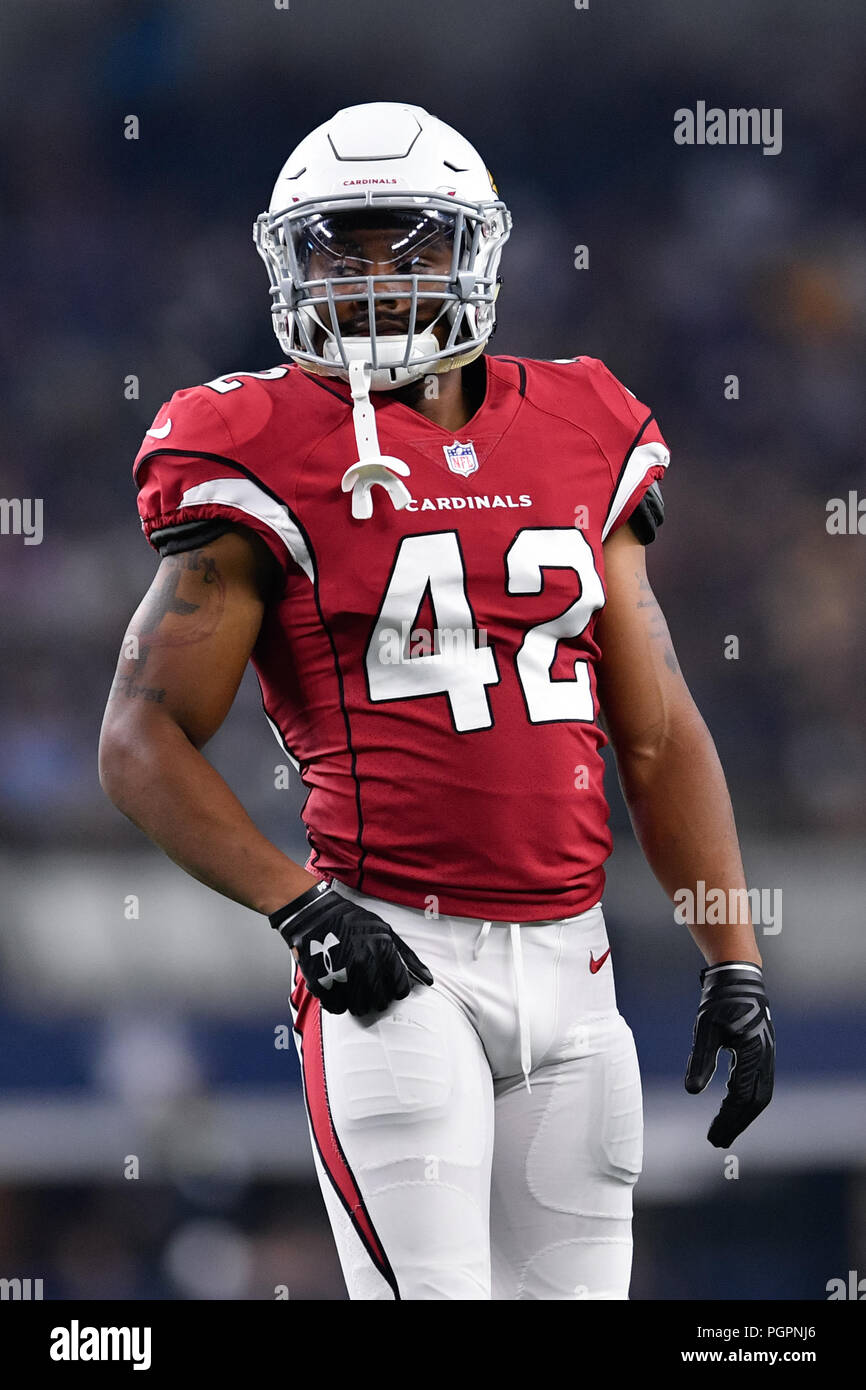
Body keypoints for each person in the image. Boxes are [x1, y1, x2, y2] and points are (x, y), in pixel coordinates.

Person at [99, 101, 775, 1300]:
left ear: (473, 252)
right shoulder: (254, 438)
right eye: (333, 249)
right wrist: (298, 907)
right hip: (390, 955)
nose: (362, 280)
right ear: (285, 260)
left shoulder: (582, 423)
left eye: (400, 245)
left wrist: (732, 956)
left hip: (574, 969)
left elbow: (656, 725)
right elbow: (139, 736)